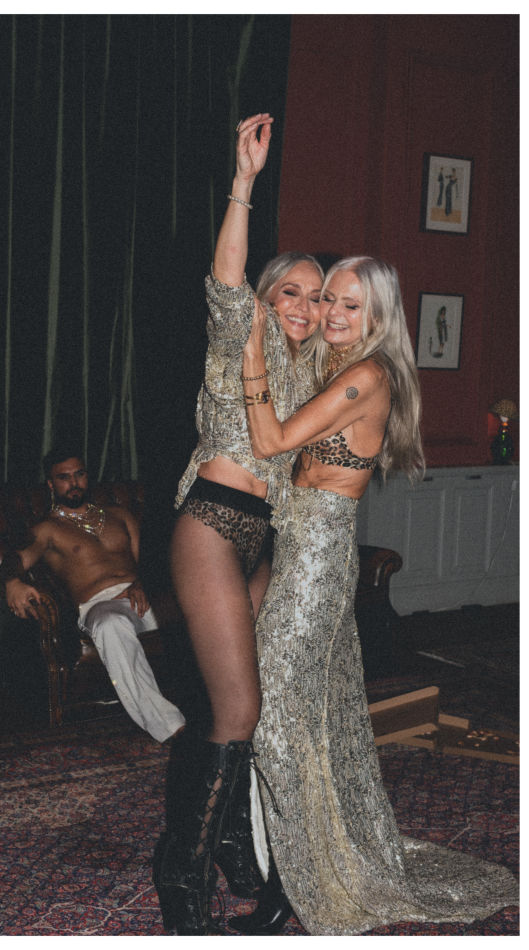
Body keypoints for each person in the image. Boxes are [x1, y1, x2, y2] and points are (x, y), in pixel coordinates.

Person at [229, 256, 519, 934]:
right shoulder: (338, 366)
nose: (331, 313)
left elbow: (270, 440)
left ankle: (293, 882)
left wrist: (249, 347)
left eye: (350, 305)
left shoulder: (366, 375)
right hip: (299, 551)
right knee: (307, 714)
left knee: (276, 717)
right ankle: (285, 858)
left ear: (378, 316)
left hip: (316, 561)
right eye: (328, 298)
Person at [152, 114, 324, 935]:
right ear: (267, 298)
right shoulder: (240, 335)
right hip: (212, 526)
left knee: (253, 707)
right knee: (237, 712)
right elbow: (225, 276)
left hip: (263, 541)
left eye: (315, 296)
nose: (304, 306)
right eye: (290, 290)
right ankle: (179, 871)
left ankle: (229, 843)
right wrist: (244, 182)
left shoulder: (313, 372)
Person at [0, 447, 185, 743]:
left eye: (79, 474)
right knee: (110, 624)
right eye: (64, 478)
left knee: (207, 608)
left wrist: (143, 583)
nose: (74, 483)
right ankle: (172, 728)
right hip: (101, 605)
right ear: (51, 484)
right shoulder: (48, 529)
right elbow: (14, 559)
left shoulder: (120, 516)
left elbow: (150, 561)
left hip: (145, 596)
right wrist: (12, 582)